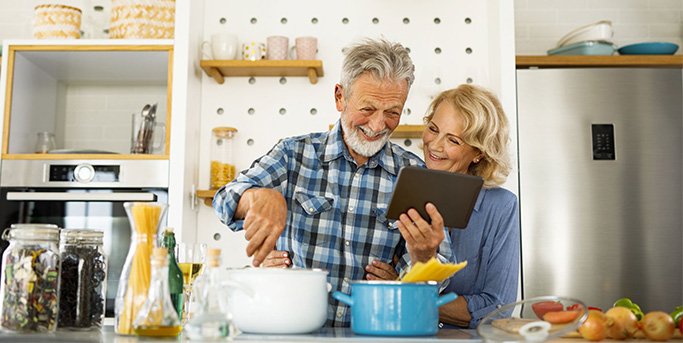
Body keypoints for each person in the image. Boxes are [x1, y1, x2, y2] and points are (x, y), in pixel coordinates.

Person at [212, 37, 455, 327]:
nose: (378, 126)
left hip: (375, 333)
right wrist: (257, 198)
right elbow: (225, 200)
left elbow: (438, 279)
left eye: (392, 112)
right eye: (367, 109)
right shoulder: (293, 155)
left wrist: (417, 265)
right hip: (295, 332)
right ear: (340, 97)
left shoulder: (414, 172)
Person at [265, 84, 519, 329]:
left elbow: (497, 309)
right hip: (398, 333)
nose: (435, 145)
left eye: (453, 140)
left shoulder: (500, 207)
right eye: (433, 129)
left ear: (479, 152)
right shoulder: (400, 183)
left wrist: (401, 291)